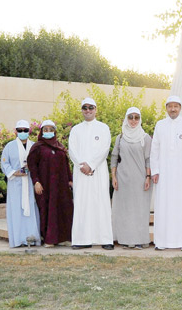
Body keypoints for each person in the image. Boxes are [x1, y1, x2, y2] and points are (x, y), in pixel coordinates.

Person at [150, 95, 182, 251]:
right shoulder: (160, 125)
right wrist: (155, 170)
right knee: (164, 205)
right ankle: (162, 242)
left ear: (180, 108)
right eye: (170, 106)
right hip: (164, 174)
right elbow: (155, 149)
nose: (173, 109)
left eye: (176, 106)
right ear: (166, 108)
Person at [68, 98, 114, 250]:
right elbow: (72, 150)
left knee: (101, 204)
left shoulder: (103, 128)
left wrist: (92, 165)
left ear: (96, 109)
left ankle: (105, 239)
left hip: (98, 172)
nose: (88, 110)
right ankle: (81, 240)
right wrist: (82, 165)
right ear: (82, 110)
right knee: (82, 204)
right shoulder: (76, 130)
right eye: (85, 107)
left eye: (91, 107)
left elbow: (105, 149)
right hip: (81, 173)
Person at [110, 107, 153, 249]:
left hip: (140, 180)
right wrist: (113, 177)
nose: (133, 120)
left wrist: (148, 177)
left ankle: (139, 240)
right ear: (126, 119)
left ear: (140, 119)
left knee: (140, 210)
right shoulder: (120, 137)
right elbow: (114, 157)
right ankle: (125, 239)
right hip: (123, 179)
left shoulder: (145, 138)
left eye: (136, 117)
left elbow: (148, 159)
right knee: (124, 210)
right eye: (130, 117)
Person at [27, 120, 74, 247]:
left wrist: (70, 180)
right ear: (41, 132)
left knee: (64, 209)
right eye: (45, 130)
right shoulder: (37, 147)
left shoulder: (60, 146)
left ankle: (64, 238)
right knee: (48, 210)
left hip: (61, 185)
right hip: (45, 185)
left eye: (51, 129)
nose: (48, 132)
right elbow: (32, 166)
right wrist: (36, 181)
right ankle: (50, 239)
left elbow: (66, 165)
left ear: (55, 131)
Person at [0, 120, 41, 248]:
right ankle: (18, 240)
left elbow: (41, 163)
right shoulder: (9, 146)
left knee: (31, 210)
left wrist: (32, 167)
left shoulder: (35, 146)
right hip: (16, 184)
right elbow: (4, 163)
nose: (22, 132)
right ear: (16, 131)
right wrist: (14, 172)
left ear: (29, 131)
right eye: (20, 130)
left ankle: (32, 238)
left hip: (30, 182)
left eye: (25, 130)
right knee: (16, 210)